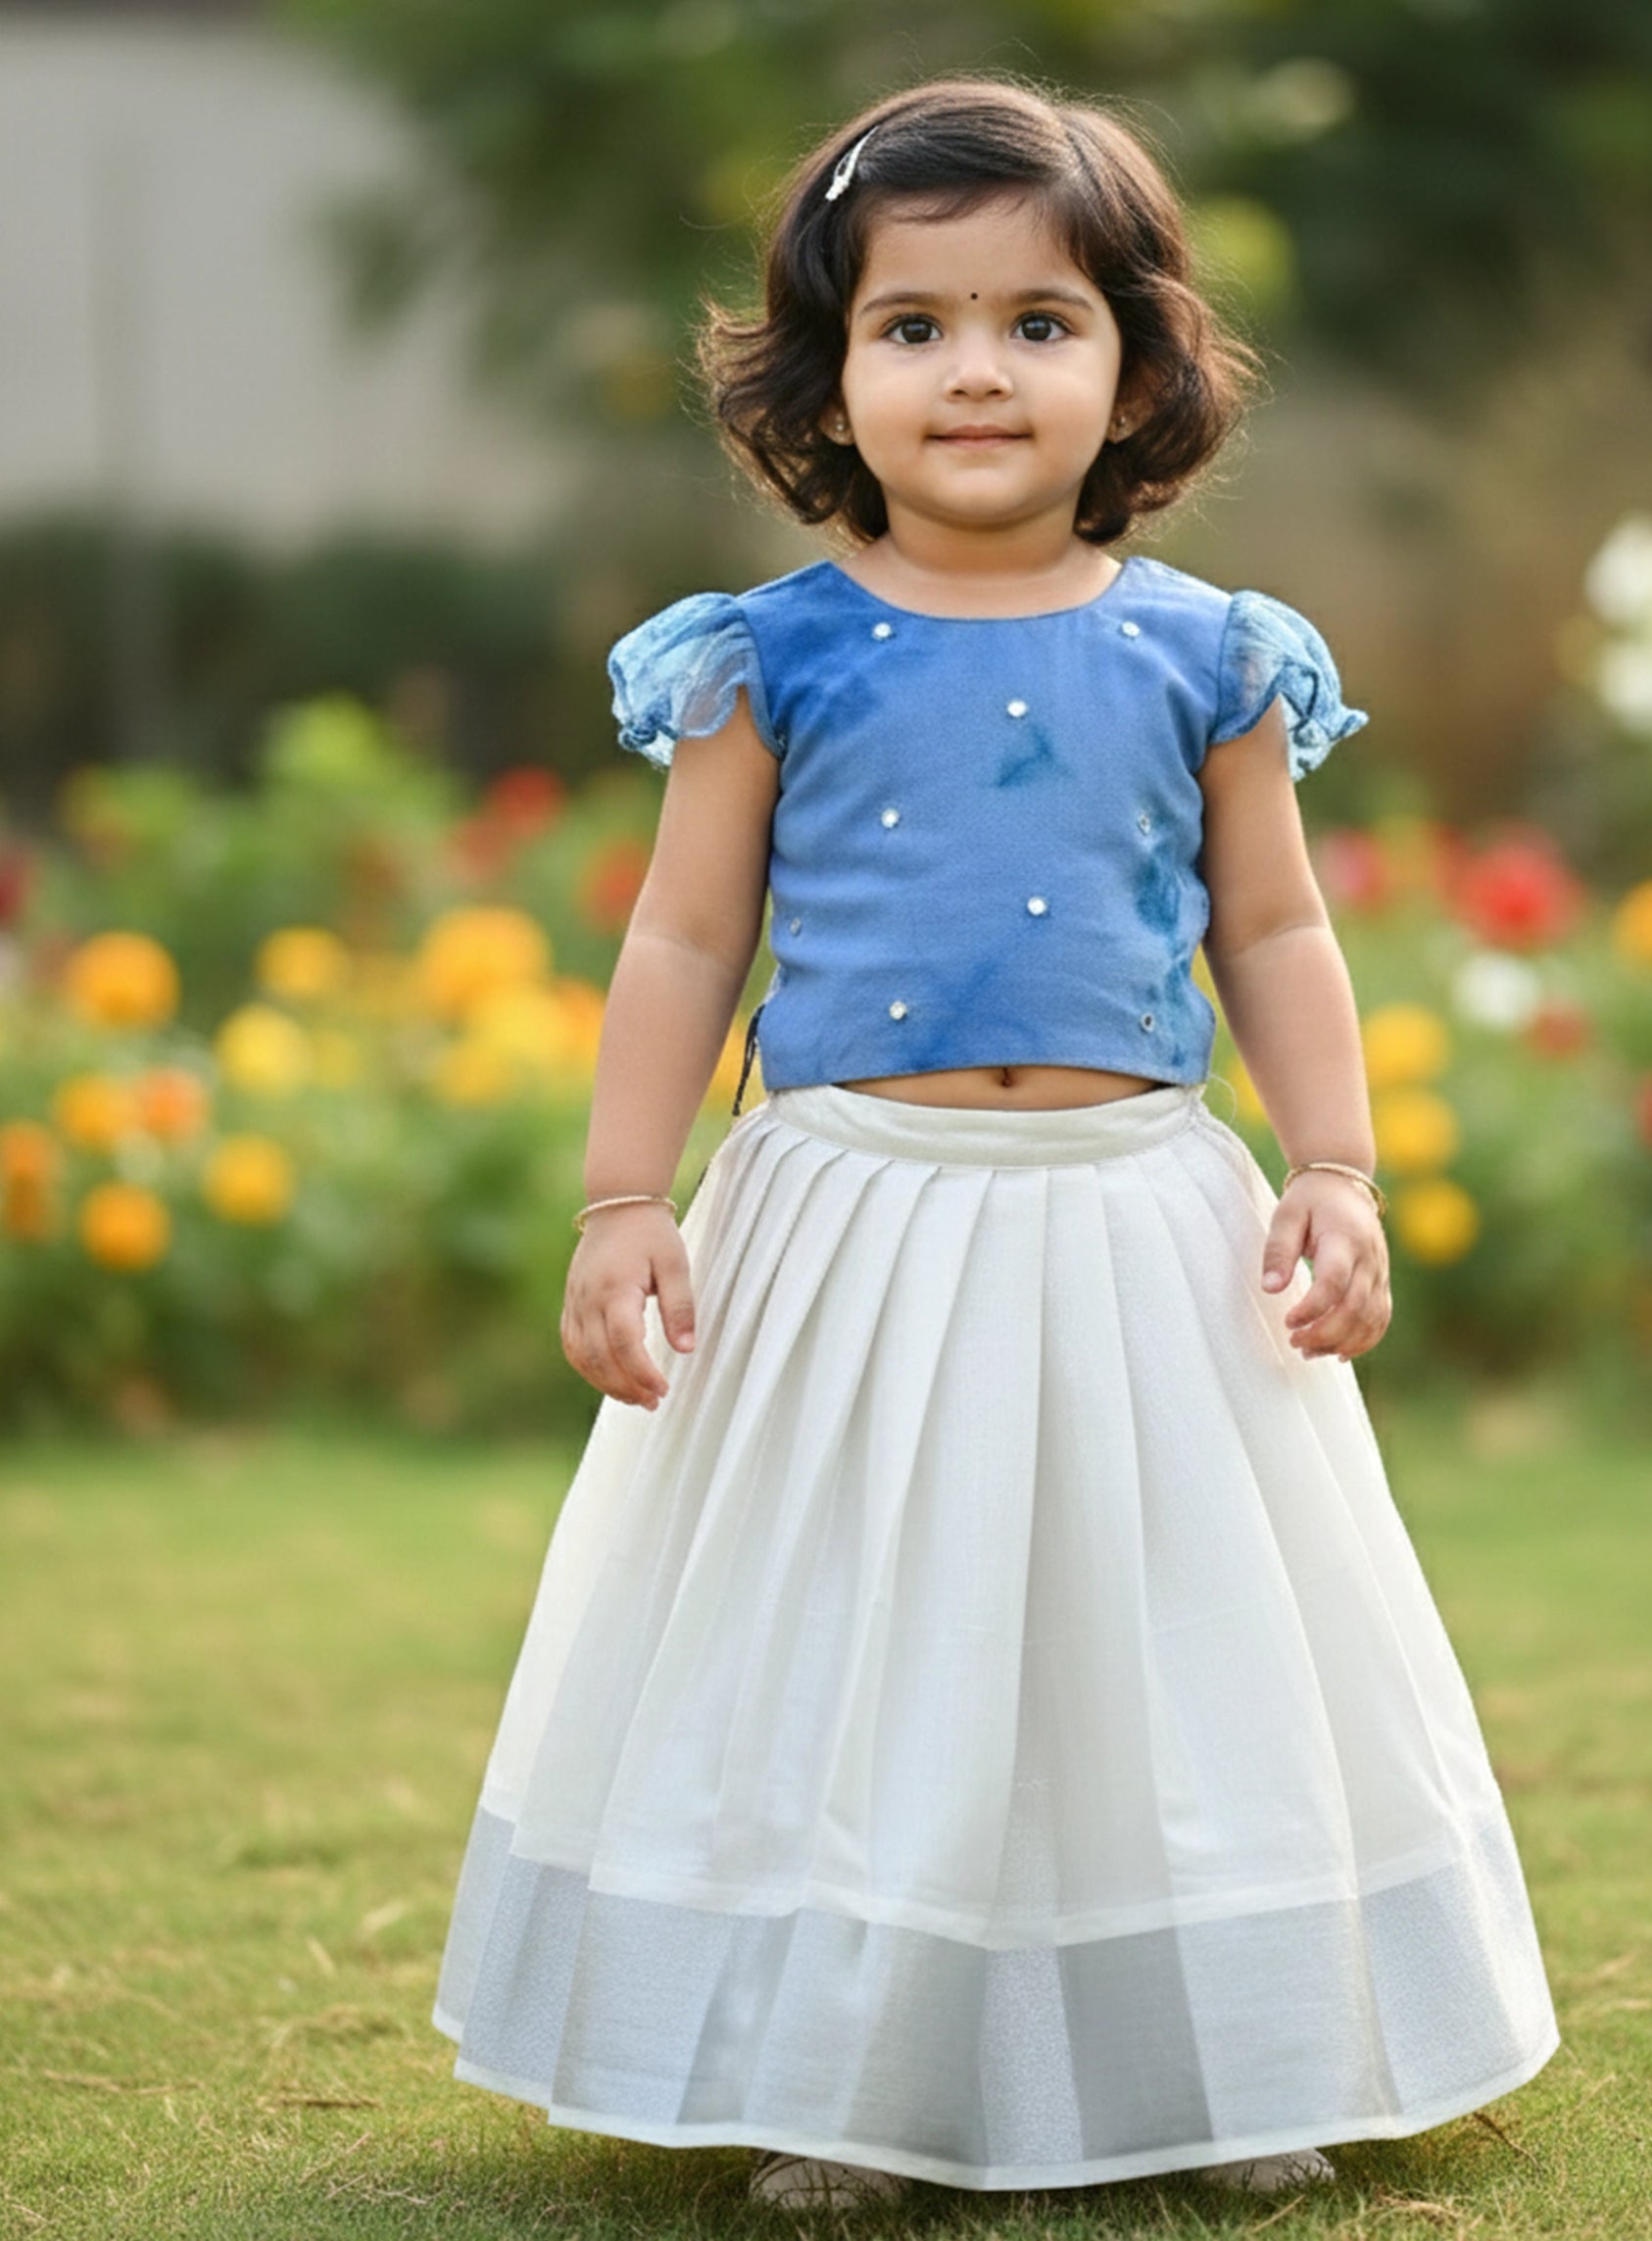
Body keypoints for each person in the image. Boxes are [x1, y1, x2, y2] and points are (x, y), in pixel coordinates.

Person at [432, 73, 1561, 2216]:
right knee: (852, 1639)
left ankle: (1236, 2052)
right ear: (824, 377)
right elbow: (682, 938)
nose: (975, 368)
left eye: (1038, 321)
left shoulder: (1212, 655)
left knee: (1178, 1635)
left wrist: (1334, 1168)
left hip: (1136, 1222)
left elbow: (1273, 928)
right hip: (851, 1216)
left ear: (1134, 370)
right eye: (913, 323)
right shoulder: (763, 660)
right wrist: (622, 1198)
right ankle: (835, 2077)